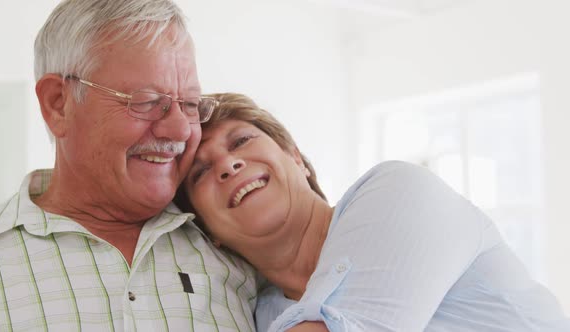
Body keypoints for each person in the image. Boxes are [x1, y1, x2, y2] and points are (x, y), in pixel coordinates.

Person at [174, 92, 570, 332]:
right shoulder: (262, 315)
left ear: (297, 158)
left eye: (241, 140)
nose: (227, 165)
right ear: (209, 232)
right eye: (201, 172)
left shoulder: (397, 192)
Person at [0, 1, 256, 331]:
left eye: (191, 105)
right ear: (59, 104)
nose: (181, 129)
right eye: (147, 102)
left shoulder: (239, 248)